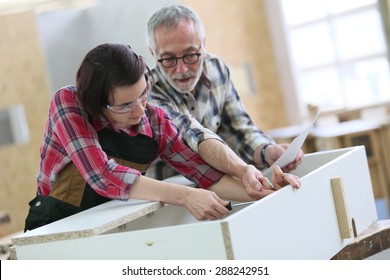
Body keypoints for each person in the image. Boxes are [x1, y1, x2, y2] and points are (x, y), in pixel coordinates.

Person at [24, 43, 300, 232]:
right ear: (96, 102)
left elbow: (208, 175)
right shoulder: (68, 102)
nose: (140, 110)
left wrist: (265, 192)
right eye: (124, 105)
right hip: (56, 224)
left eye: (143, 95)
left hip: (111, 222)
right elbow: (101, 175)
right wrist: (186, 196)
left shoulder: (155, 120)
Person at [146, 4, 304, 186]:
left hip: (222, 183)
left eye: (190, 55)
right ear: (153, 54)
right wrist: (242, 170)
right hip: (168, 196)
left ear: (203, 45)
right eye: (168, 59)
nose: (181, 69)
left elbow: (239, 129)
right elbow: (194, 137)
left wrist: (267, 151)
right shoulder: (148, 92)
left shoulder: (217, 69)